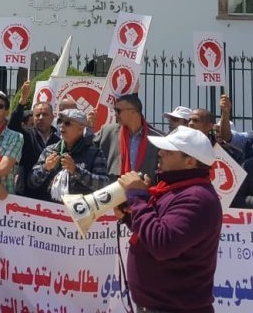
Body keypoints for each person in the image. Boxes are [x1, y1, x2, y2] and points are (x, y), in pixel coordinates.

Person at [116, 126, 222, 313]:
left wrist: (138, 197)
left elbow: (162, 244)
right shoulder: (177, 189)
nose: (161, 153)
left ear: (190, 161)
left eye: (169, 151)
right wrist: (129, 216)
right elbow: (156, 231)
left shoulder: (197, 198)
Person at [28, 108, 110, 201]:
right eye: (60, 121)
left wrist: (76, 171)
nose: (62, 126)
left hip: (79, 210)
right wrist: (45, 168)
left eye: (67, 123)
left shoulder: (94, 153)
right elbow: (31, 182)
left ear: (80, 128)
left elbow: (104, 184)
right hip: (49, 209)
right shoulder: (50, 150)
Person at [8, 81, 60, 199]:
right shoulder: (26, 135)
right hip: (25, 195)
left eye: (45, 114)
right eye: (37, 115)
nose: (41, 118)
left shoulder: (59, 141)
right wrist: (22, 102)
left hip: (49, 197)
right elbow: (12, 126)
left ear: (52, 117)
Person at [94, 93, 163, 182]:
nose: (115, 114)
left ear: (133, 112)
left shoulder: (157, 138)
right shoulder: (108, 132)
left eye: (118, 110)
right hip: (114, 190)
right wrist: (88, 127)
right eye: (115, 110)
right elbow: (89, 152)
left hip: (144, 191)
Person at [188, 98, 244, 165]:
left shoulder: (229, 152)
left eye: (196, 120)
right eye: (189, 120)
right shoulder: (179, 146)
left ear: (209, 126)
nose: (190, 123)